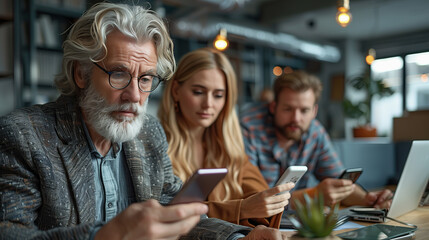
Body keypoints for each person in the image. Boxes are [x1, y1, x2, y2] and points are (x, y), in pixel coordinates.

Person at [0, 3, 288, 239]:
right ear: (81, 74)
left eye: (146, 78)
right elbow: (10, 233)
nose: (135, 95)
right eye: (119, 74)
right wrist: (106, 236)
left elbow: (176, 213)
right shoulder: (25, 136)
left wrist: (239, 238)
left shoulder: (148, 132)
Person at [158, 47, 294, 229]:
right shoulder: (155, 145)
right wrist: (242, 209)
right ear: (175, 91)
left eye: (218, 95)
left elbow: (259, 195)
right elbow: (166, 214)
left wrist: (260, 217)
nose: (208, 104)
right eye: (198, 92)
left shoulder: (228, 146)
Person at [240, 70, 393, 209]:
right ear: (273, 107)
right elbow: (253, 201)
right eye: (288, 109)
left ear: (314, 111)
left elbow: (339, 183)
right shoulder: (248, 129)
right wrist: (314, 195)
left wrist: (369, 200)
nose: (296, 119)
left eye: (304, 110)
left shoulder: (315, 132)